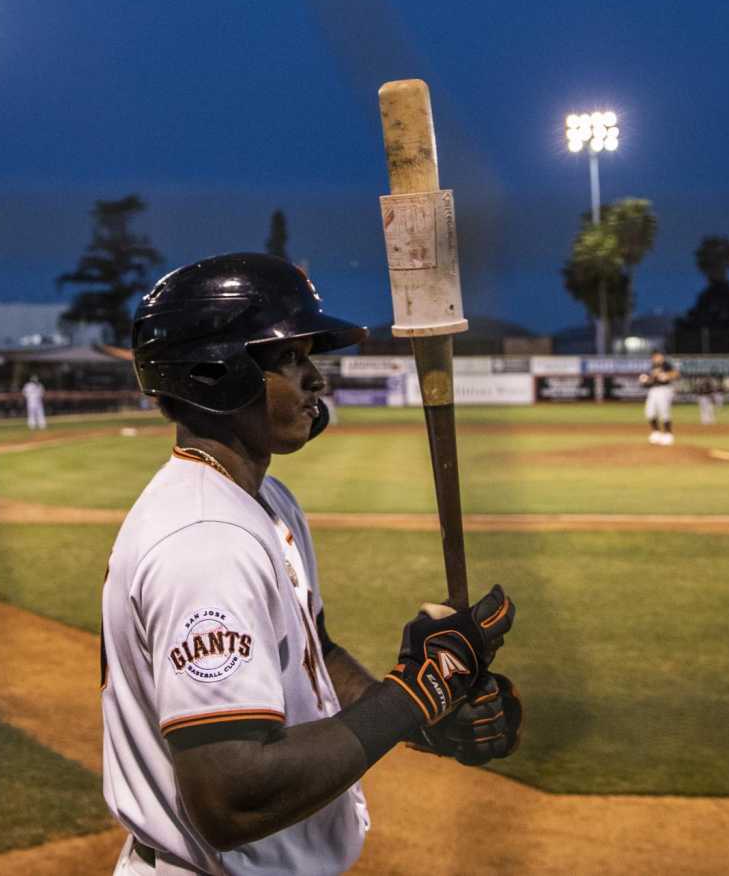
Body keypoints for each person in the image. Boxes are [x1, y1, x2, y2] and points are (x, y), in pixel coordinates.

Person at [103, 254, 521, 875]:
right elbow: (232, 797)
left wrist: (422, 714)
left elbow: (312, 656)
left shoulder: (261, 498)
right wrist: (418, 690)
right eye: (291, 358)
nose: (316, 380)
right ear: (217, 372)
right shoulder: (205, 540)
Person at [640, 348, 680, 446]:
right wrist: (646, 380)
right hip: (653, 390)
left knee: (664, 411)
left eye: (657, 356)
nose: (655, 358)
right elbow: (648, 380)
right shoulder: (652, 366)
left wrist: (666, 375)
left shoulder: (666, 364)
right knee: (649, 412)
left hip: (665, 389)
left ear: (661, 356)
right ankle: (656, 433)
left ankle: (668, 435)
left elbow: (676, 374)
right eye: (654, 357)